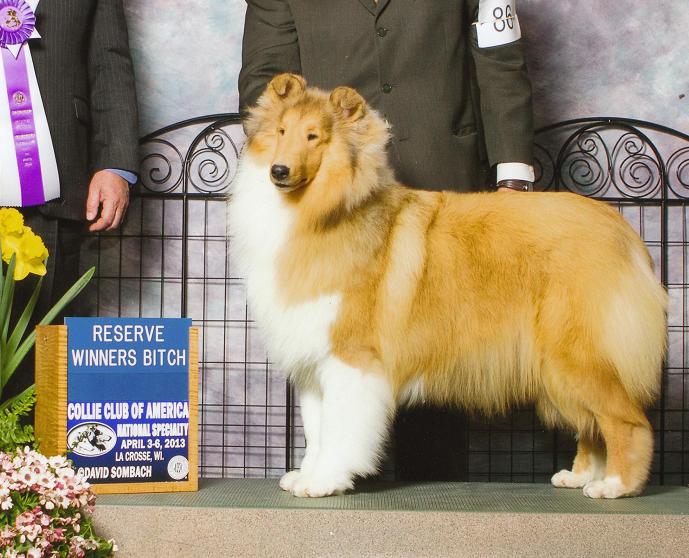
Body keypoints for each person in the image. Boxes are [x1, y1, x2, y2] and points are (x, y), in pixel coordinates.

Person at [239, 0, 535, 480]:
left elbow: (498, 55)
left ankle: (437, 499)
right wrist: (306, 143)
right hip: (334, 200)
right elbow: (264, 80)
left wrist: (514, 176)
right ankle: (342, 477)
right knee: (334, 351)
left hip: (444, 182)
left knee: (438, 379)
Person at [1, 0, 139, 400]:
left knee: (37, 368)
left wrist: (115, 163)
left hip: (53, 183)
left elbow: (109, 60)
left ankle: (31, 445)